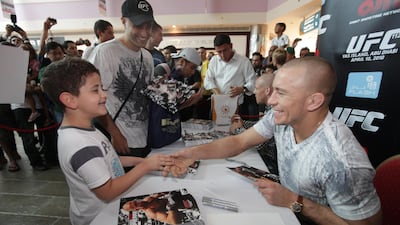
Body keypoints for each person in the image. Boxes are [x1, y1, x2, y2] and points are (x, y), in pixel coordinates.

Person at [168, 57, 382, 225]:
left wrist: (295, 202)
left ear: (313, 101)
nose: (270, 101)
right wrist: (190, 154)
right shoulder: (282, 116)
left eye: (281, 93)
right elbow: (239, 142)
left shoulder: (341, 162)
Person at [40, 58, 172, 225]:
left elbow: (108, 160)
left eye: (102, 87)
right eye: (96, 90)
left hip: (110, 209)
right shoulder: (81, 145)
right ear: (70, 100)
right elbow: (107, 192)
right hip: (99, 217)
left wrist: (142, 161)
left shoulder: (85, 129)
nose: (105, 94)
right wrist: (145, 166)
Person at [89, 0, 155, 158]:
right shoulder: (105, 52)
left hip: (146, 139)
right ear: (124, 21)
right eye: (138, 25)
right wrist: (115, 133)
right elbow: (92, 98)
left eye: (148, 26)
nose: (145, 33)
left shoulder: (147, 56)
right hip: (121, 142)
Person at [229, 72, 278, 174]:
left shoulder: (276, 111)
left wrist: (238, 130)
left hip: (270, 164)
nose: (254, 92)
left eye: (256, 88)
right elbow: (262, 125)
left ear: (267, 91)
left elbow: (258, 143)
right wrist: (243, 123)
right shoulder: (270, 107)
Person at [204, 34, 257, 121]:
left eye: (225, 50)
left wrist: (242, 89)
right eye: (219, 52)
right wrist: (216, 91)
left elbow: (252, 82)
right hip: (217, 104)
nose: (222, 55)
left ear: (231, 46)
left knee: (236, 132)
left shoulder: (243, 61)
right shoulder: (214, 60)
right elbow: (208, 80)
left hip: (236, 107)